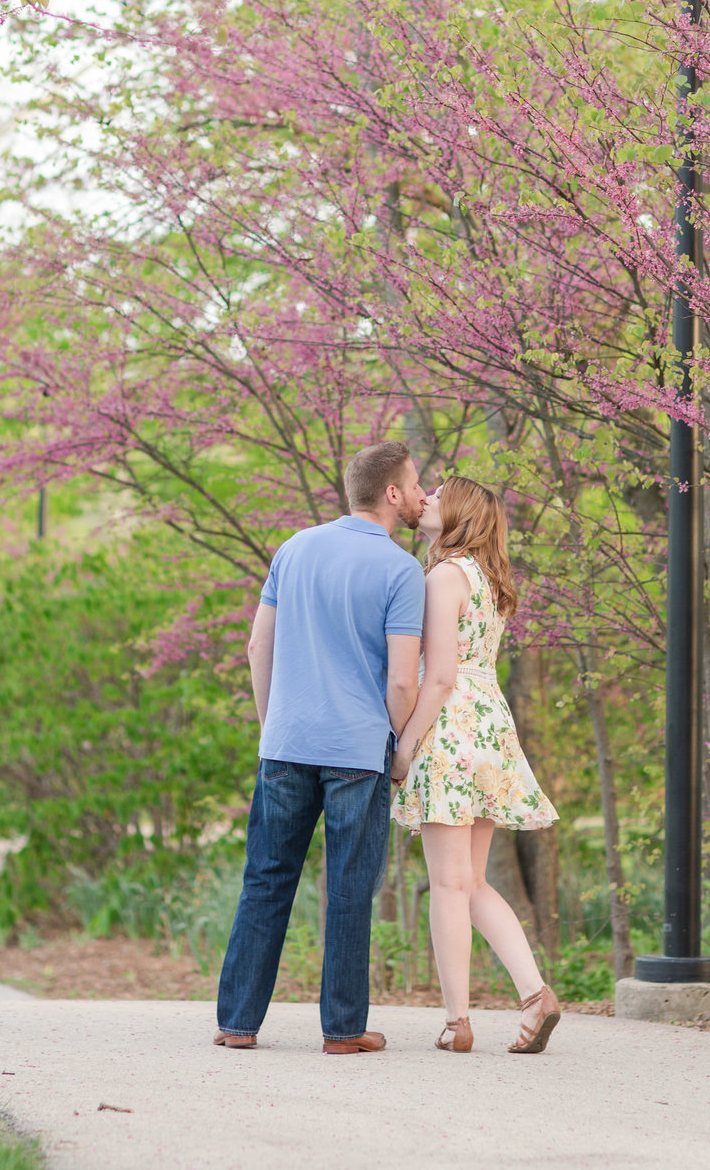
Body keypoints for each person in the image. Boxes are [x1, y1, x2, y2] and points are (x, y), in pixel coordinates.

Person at [214, 440, 427, 1055]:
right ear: (391, 493)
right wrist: (398, 740)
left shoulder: (294, 548)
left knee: (266, 878)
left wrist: (270, 724)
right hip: (357, 751)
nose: (420, 495)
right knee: (349, 887)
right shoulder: (400, 570)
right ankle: (342, 1030)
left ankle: (237, 1022)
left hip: (285, 742)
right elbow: (403, 679)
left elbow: (259, 650)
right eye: (414, 485)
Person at [392, 475, 561, 1054]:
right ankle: (536, 994)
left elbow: (437, 677)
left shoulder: (442, 576)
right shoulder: (489, 580)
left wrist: (406, 744)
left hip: (451, 728)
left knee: (446, 883)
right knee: (470, 882)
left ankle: (457, 1021)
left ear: (460, 513)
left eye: (438, 495)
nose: (428, 499)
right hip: (490, 729)